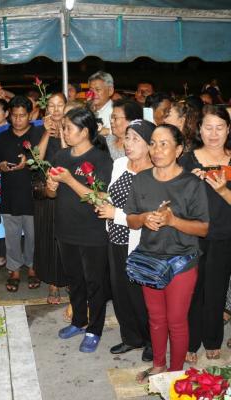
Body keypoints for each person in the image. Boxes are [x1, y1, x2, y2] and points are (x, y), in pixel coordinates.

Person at [125, 123, 209, 382]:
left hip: (181, 262)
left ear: (179, 149)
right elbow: (130, 220)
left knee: (176, 320)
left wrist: (173, 221)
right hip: (150, 260)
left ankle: (176, 372)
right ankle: (159, 365)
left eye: (164, 144)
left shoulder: (191, 184)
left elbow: (203, 228)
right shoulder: (141, 180)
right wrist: (144, 218)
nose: (157, 150)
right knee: (156, 318)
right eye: (153, 143)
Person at [47, 107, 112, 353]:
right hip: (66, 229)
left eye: (68, 128)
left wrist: (69, 180)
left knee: (95, 282)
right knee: (74, 280)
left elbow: (101, 198)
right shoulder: (61, 156)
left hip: (92, 231)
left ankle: (94, 329)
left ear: (84, 132)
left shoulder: (101, 159)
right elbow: (51, 194)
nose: (64, 132)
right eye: (63, 128)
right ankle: (79, 321)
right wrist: (51, 186)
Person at [97, 119, 155, 362]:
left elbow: (148, 215)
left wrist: (115, 214)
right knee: (120, 292)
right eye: (128, 138)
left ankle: (152, 341)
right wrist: (103, 200)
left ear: (150, 145)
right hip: (115, 239)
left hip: (139, 243)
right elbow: (113, 195)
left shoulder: (154, 174)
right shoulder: (120, 163)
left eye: (135, 139)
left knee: (141, 296)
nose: (128, 144)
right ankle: (131, 337)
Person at [180, 105, 231, 362]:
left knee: (216, 290)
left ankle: (212, 338)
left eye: (219, 127)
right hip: (192, 235)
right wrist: (189, 183)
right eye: (208, 127)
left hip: (225, 235)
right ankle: (190, 341)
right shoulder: (187, 160)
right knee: (192, 290)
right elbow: (174, 202)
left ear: (228, 129)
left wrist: (222, 190)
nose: (213, 134)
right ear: (199, 129)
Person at [0, 96, 44, 292]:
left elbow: (45, 159)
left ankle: (33, 267)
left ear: (30, 115)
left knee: (33, 236)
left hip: (34, 196)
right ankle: (14, 270)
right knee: (12, 236)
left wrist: (30, 161)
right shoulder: (2, 137)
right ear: (9, 115)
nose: (17, 120)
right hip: (9, 195)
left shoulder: (38, 134)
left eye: (22, 115)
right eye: (14, 115)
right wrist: (0, 166)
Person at [33, 92, 68, 304]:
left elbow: (68, 158)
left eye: (60, 105)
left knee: (69, 237)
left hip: (69, 191)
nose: (55, 109)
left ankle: (70, 278)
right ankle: (53, 283)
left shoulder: (72, 130)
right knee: (49, 237)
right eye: (52, 105)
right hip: (46, 191)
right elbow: (36, 159)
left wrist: (62, 130)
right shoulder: (39, 130)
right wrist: (47, 132)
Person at [87, 71, 115, 136]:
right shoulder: (87, 110)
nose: (93, 94)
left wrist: (108, 131)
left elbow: (124, 132)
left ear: (110, 91)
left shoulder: (116, 112)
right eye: (91, 90)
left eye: (98, 89)